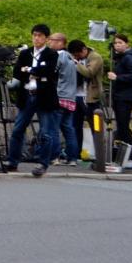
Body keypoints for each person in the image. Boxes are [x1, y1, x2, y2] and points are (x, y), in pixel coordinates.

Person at [0, 24, 60, 177]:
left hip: (44, 96)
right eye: (34, 35)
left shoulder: (52, 54)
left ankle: (43, 163)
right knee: (18, 129)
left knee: (46, 132)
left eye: (40, 36)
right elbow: (17, 72)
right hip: (27, 95)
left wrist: (32, 70)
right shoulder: (25, 53)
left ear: (46, 38)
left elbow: (48, 71)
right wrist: (34, 71)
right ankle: (13, 162)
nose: (36, 38)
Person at [107, 34, 132, 165]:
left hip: (125, 98)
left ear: (127, 44)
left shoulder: (128, 58)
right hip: (120, 96)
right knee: (122, 128)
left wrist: (117, 78)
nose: (117, 45)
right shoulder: (121, 58)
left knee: (124, 128)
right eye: (115, 43)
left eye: (120, 42)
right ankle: (128, 158)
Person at [48, 33, 80, 165]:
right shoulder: (71, 58)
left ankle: (55, 157)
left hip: (60, 96)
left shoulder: (59, 56)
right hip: (71, 97)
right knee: (68, 128)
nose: (50, 43)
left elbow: (52, 72)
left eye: (52, 40)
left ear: (61, 42)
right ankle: (72, 158)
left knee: (54, 128)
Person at [69, 39, 104, 155]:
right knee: (75, 126)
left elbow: (89, 72)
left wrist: (75, 63)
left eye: (78, 54)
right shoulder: (77, 58)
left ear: (84, 49)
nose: (77, 56)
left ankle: (100, 154)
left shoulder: (95, 57)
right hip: (76, 96)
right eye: (74, 55)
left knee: (95, 126)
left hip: (90, 97)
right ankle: (76, 153)